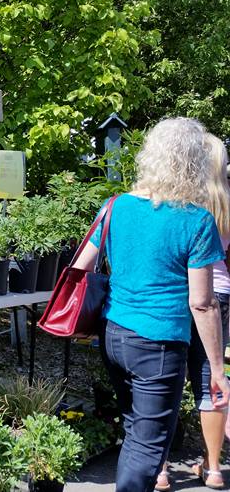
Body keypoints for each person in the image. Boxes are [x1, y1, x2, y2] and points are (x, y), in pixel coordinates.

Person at [70, 117, 230, 491]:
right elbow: (203, 304)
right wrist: (218, 370)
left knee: (135, 430)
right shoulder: (196, 221)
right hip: (158, 344)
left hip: (114, 335)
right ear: (193, 163)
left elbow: (81, 267)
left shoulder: (115, 206)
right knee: (147, 445)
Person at [156, 133, 230, 490]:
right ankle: (214, 468)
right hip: (220, 297)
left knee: (164, 381)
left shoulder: (178, 201)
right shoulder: (226, 202)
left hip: (177, 293)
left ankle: (161, 469)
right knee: (210, 381)